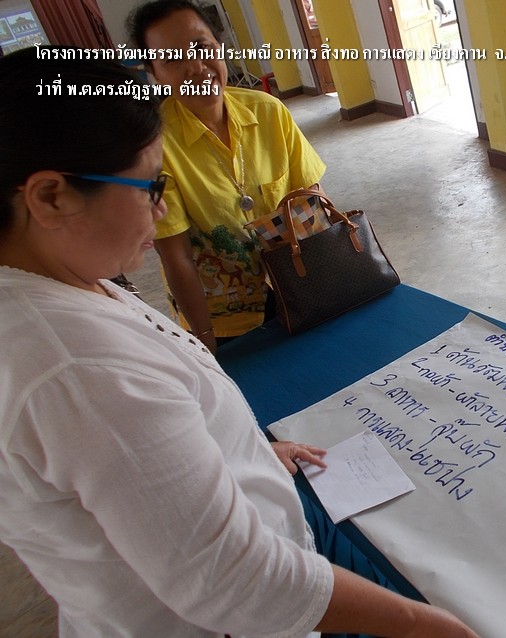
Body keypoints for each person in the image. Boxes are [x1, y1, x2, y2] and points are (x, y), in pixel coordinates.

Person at [0, 47, 478, 638]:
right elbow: (233, 581)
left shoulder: (60, 282)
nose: (163, 207)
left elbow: (131, 476)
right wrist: (425, 627)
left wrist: (237, 457)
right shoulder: (78, 371)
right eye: (150, 185)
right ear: (51, 197)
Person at [127, 0, 326, 354]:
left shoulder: (268, 112)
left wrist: (327, 284)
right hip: (225, 318)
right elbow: (177, 258)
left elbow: (311, 202)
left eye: (200, 47)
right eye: (171, 59)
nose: (195, 66)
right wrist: (205, 341)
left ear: (219, 46)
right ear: (153, 73)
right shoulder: (155, 148)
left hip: (298, 286)